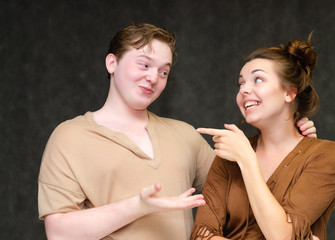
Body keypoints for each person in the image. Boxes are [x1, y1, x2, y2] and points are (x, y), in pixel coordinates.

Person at [37, 23, 317, 240]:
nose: (153, 78)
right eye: (144, 65)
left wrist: (291, 143)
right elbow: (59, 233)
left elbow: (247, 199)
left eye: (163, 71)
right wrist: (138, 206)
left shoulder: (185, 136)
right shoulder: (69, 137)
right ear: (113, 63)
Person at [191, 34, 335, 240]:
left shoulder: (325, 155)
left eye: (258, 79)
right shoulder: (228, 155)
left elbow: (283, 235)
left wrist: (247, 160)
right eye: (241, 84)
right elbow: (201, 235)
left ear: (290, 92)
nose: (244, 89)